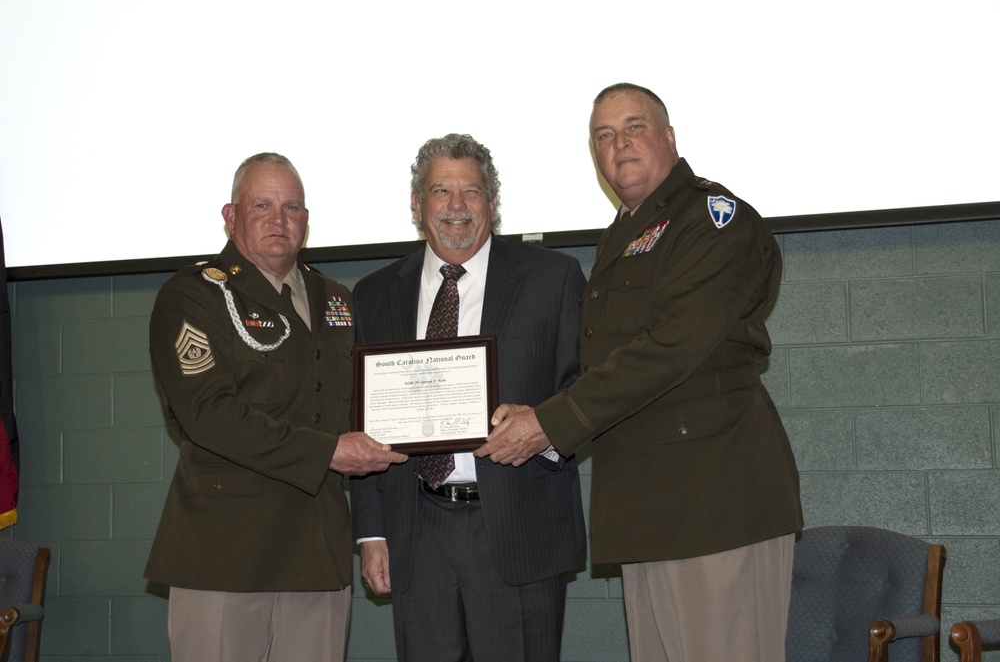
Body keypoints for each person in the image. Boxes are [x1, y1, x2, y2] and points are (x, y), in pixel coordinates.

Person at [478, 83, 803, 661]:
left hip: (713, 502)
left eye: (634, 127)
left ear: (670, 137)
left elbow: (671, 348)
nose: (619, 144)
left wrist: (553, 422)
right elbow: (611, 361)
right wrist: (541, 414)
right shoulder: (623, 236)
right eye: (603, 135)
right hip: (650, 506)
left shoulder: (711, 219)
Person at [144, 152, 406, 662]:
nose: (278, 218)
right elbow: (209, 415)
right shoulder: (193, 295)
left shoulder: (337, 300)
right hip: (226, 553)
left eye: (291, 206)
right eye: (261, 204)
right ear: (231, 215)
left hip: (318, 548)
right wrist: (329, 451)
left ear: (306, 221)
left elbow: (367, 406)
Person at [350, 133, 587, 662]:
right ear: (417, 205)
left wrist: (543, 429)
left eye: (472, 191)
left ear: (493, 203)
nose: (456, 207)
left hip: (520, 527)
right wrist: (370, 533)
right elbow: (361, 421)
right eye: (440, 191)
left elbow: (584, 387)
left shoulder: (552, 277)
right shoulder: (375, 293)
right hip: (417, 532)